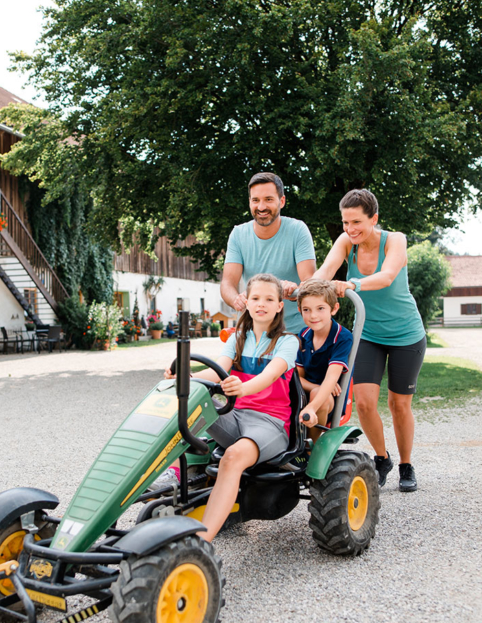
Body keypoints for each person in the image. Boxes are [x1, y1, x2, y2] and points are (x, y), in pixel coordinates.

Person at [164, 274, 298, 541]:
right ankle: (170, 473)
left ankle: (202, 541)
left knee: (232, 457)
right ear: (246, 302)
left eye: (269, 299)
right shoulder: (237, 337)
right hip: (235, 417)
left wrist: (242, 388)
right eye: (256, 298)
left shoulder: (287, 341)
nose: (262, 304)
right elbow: (217, 371)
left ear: (280, 306)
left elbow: (269, 376)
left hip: (270, 424)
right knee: (185, 401)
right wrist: (184, 378)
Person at [313, 189, 426, 492]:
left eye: (357, 222)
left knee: (399, 405)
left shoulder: (396, 240)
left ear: (374, 219)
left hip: (406, 335)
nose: (350, 229)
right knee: (363, 403)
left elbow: (388, 276)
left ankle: (405, 464)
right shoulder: (345, 243)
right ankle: (382, 458)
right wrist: (300, 288)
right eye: (345, 223)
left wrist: (353, 283)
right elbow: (324, 271)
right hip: (369, 335)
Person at [221, 172, 317, 333]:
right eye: (255, 200)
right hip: (252, 330)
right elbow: (227, 283)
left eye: (268, 199)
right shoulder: (238, 234)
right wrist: (236, 299)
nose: (261, 207)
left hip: (292, 330)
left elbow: (309, 282)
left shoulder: (298, 230)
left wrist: (293, 291)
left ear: (282, 201)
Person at [294, 280, 353, 442]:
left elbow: (331, 378)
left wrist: (311, 407)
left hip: (330, 400)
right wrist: (315, 386)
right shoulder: (304, 334)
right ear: (300, 310)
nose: (313, 315)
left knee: (318, 394)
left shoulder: (342, 337)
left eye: (320, 309)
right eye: (307, 310)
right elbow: (297, 377)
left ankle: (309, 449)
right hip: (306, 393)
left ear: (334, 309)